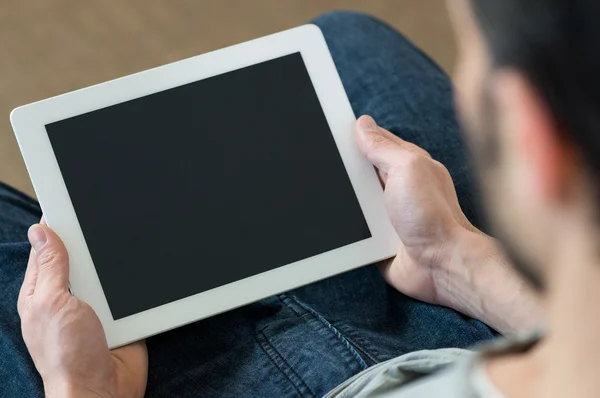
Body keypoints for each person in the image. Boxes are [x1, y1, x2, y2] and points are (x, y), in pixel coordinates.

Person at [4, 0, 594, 394]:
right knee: (345, 38)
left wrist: (82, 388)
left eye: (473, 55)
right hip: (466, 321)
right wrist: (459, 262)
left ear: (531, 135)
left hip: (184, 379)